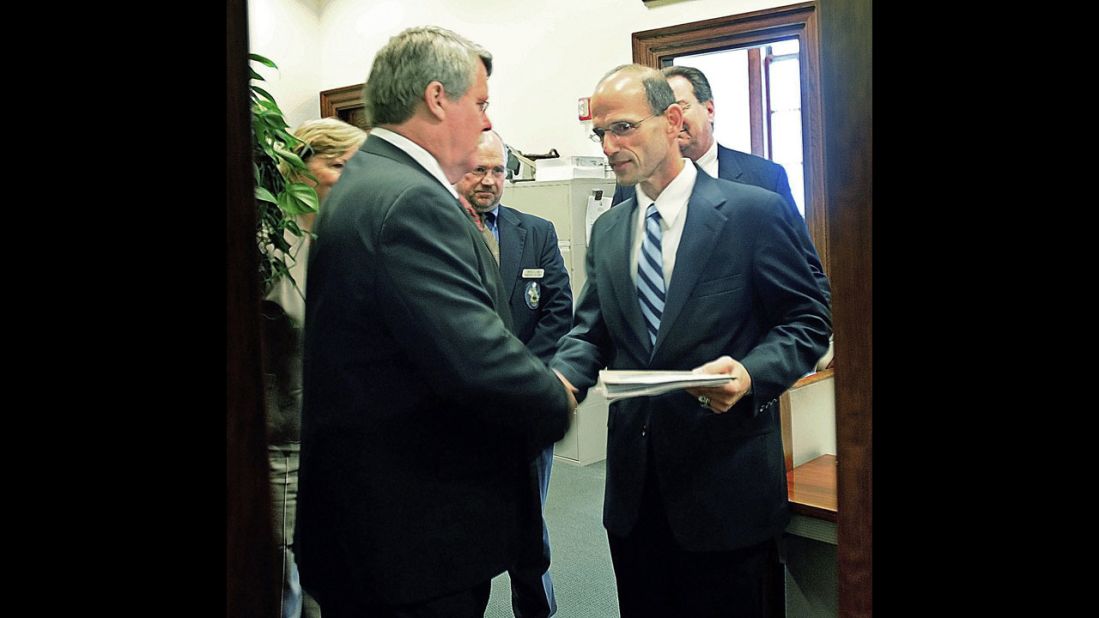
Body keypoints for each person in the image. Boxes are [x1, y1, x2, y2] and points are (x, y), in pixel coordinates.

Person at [294, 26, 576, 618]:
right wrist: (556, 397)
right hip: (410, 538)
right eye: (481, 103)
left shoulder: (372, 180)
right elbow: (475, 361)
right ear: (436, 97)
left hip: (384, 526)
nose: (485, 121)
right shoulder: (408, 200)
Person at [549, 64, 831, 617]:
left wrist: (750, 374)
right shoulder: (609, 229)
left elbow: (807, 320)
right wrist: (558, 383)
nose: (610, 146)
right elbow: (591, 332)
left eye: (624, 128)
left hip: (725, 485)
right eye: (600, 133)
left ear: (673, 121)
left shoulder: (754, 212)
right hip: (634, 493)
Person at [454, 130, 573, 618]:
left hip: (525, 406)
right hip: (466, 409)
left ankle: (536, 610)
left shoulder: (536, 231)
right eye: (478, 170)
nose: (488, 181)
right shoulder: (440, 232)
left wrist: (520, 378)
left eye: (498, 171)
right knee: (470, 526)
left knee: (530, 527)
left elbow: (558, 310)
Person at [610, 65, 830, 309]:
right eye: (659, 114)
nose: (671, 121)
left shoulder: (764, 179)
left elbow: (809, 281)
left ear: (709, 109)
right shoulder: (632, 188)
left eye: (680, 107)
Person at [262, 117, 367, 618]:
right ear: (298, 169)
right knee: (285, 582)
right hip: (286, 445)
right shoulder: (269, 250)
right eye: (338, 165)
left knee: (334, 573)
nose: (352, 178)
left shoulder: (347, 241)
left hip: (345, 443)